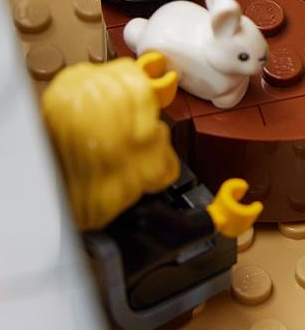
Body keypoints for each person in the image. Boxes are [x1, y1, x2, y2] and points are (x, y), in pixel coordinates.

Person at [41, 53, 262, 311]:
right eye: (151, 127)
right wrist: (219, 215)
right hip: (145, 282)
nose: (160, 130)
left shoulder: (75, 187)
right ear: (124, 151)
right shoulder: (141, 217)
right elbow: (180, 231)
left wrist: (140, 84)